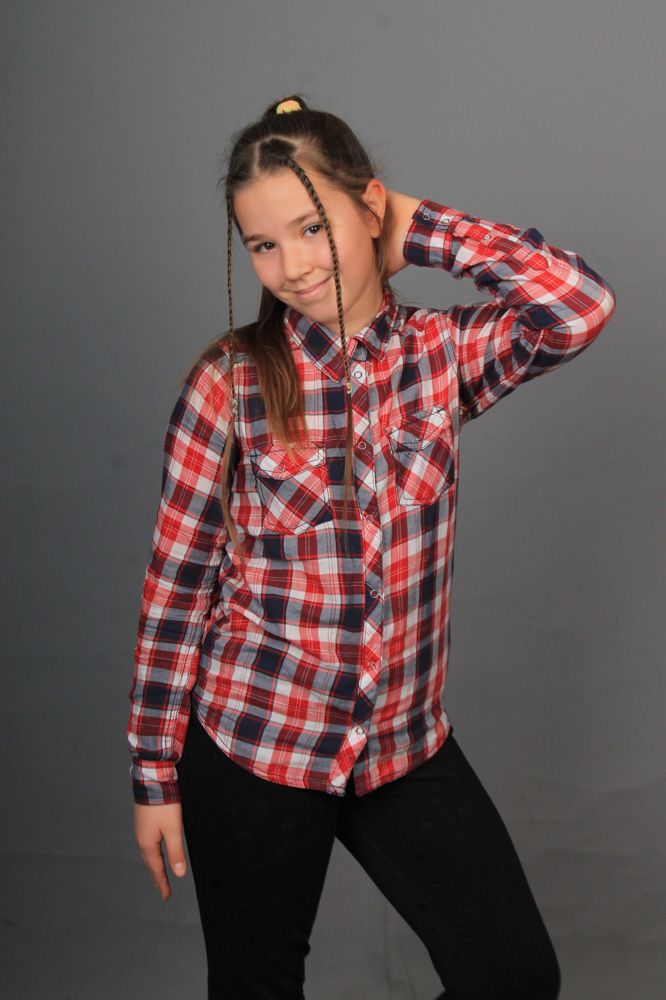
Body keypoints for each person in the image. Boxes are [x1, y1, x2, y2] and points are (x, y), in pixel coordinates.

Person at [128, 95, 616, 1000]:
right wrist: (154, 772)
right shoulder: (228, 384)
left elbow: (577, 306)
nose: (293, 266)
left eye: (313, 228)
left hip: (401, 743)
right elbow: (177, 587)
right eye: (263, 244)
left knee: (513, 976)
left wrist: (418, 228)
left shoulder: (439, 356)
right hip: (258, 739)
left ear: (370, 208)